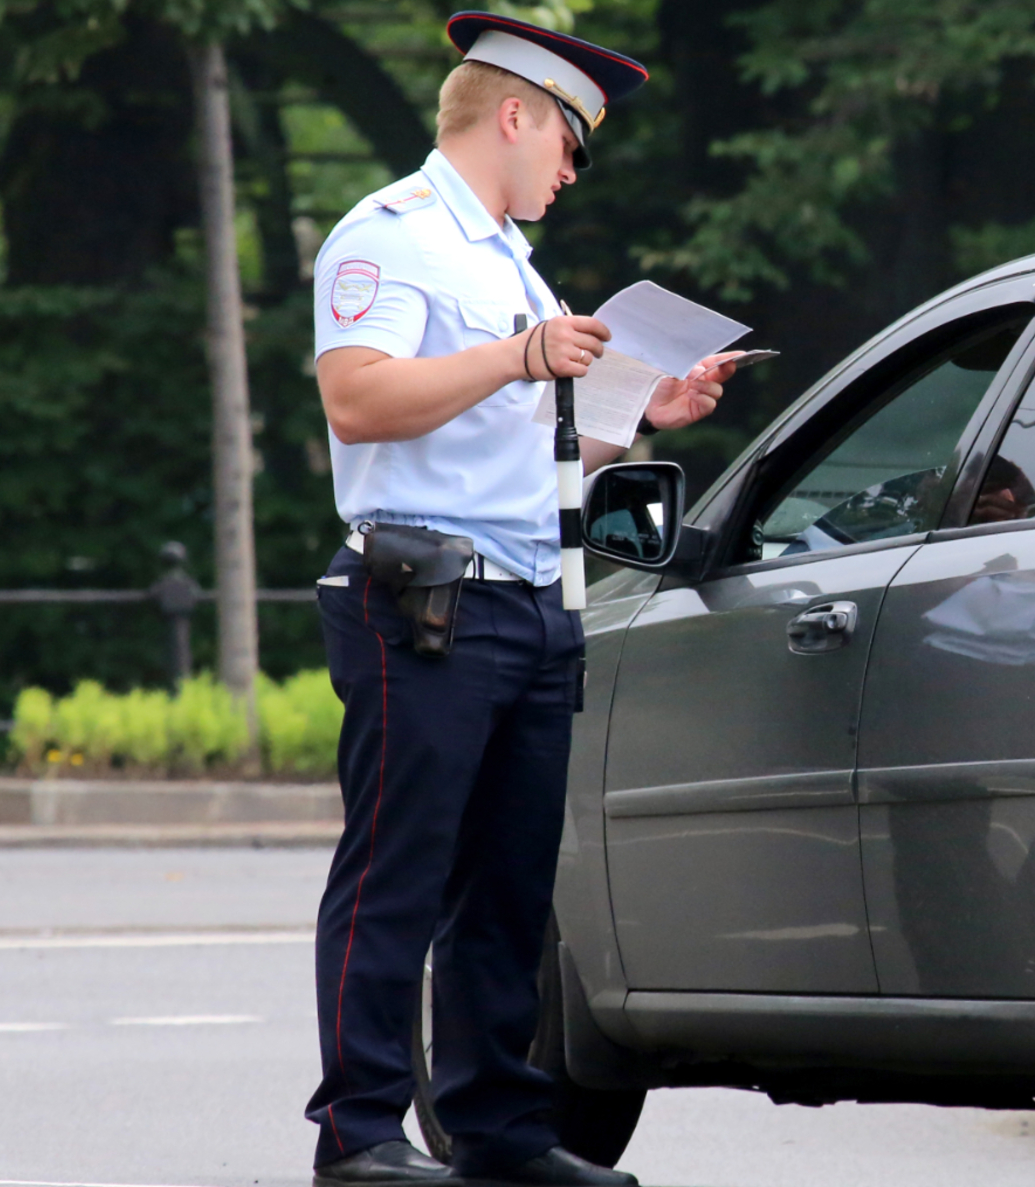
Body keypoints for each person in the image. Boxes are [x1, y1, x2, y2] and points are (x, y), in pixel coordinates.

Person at [303, 14, 739, 1187]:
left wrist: (639, 417)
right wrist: (521, 354)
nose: (571, 169)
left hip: (531, 600)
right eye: (570, 144)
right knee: (399, 871)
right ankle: (357, 1133)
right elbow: (358, 400)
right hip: (425, 599)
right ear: (516, 115)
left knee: (506, 886)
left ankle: (495, 1127)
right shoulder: (392, 236)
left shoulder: (510, 265)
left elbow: (527, 459)